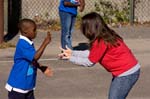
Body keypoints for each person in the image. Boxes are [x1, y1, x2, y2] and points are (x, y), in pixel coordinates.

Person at [59, 12, 140, 99]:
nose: (82, 30)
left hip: (127, 73)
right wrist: (72, 52)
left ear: (90, 28)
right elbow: (92, 54)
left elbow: (89, 62)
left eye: (83, 27)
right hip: (127, 71)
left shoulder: (100, 41)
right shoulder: (104, 36)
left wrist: (70, 58)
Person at [5, 19, 53, 99]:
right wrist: (45, 43)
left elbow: (32, 60)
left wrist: (41, 67)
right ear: (25, 31)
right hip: (18, 87)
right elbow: (35, 56)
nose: (36, 32)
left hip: (28, 86)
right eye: (34, 30)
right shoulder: (22, 44)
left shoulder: (29, 42)